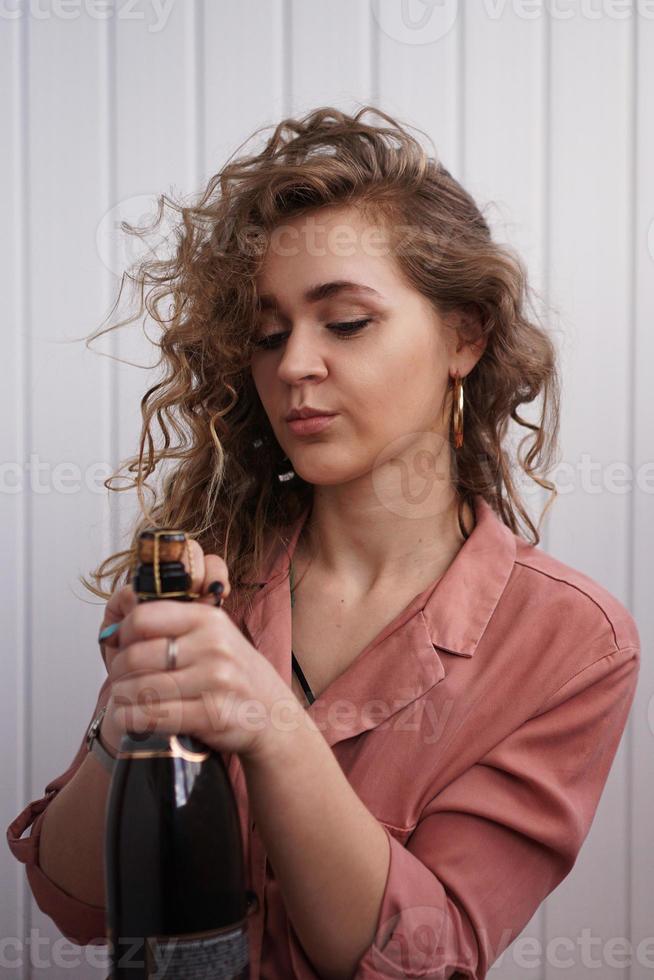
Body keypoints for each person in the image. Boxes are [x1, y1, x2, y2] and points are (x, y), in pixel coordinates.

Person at [6, 105, 640, 979]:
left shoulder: (571, 643)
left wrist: (269, 725)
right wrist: (129, 718)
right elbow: (74, 905)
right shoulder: (212, 574)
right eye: (269, 335)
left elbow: (431, 958)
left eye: (344, 323)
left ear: (465, 336)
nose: (294, 364)